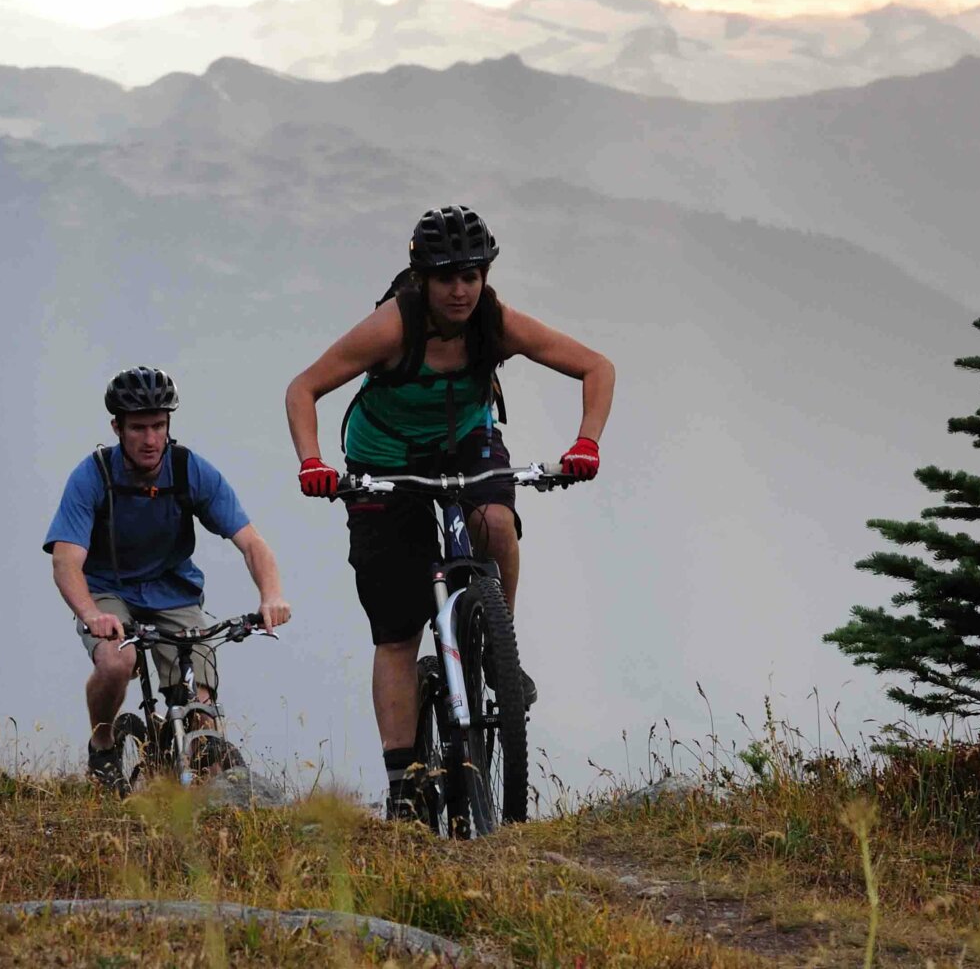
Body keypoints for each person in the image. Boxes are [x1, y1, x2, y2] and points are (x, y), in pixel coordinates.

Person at [284, 204, 613, 819]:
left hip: (467, 441)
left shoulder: (495, 322)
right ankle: (403, 787)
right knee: (398, 629)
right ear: (422, 279)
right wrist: (313, 462)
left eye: (472, 274)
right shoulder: (391, 327)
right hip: (384, 459)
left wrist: (586, 441)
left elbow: (597, 367)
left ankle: (497, 652)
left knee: (495, 524)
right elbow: (303, 388)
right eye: (446, 277)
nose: (461, 289)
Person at [46, 366, 291, 794]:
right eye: (138, 428)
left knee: (201, 704)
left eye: (158, 426)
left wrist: (271, 597)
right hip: (107, 590)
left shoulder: (189, 470)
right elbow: (66, 560)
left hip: (173, 592)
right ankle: (103, 745)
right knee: (117, 662)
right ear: (117, 428)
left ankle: (209, 796)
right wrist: (90, 615)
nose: (150, 439)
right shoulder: (93, 477)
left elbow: (252, 543)